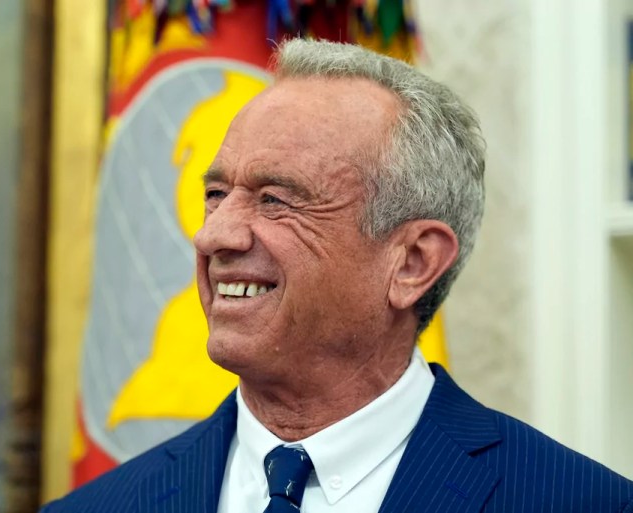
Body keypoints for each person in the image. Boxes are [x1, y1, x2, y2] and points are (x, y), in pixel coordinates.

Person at [42, 38, 633, 513]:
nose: (214, 236)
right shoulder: (101, 506)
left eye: (275, 199)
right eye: (216, 195)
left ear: (412, 263)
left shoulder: (578, 501)